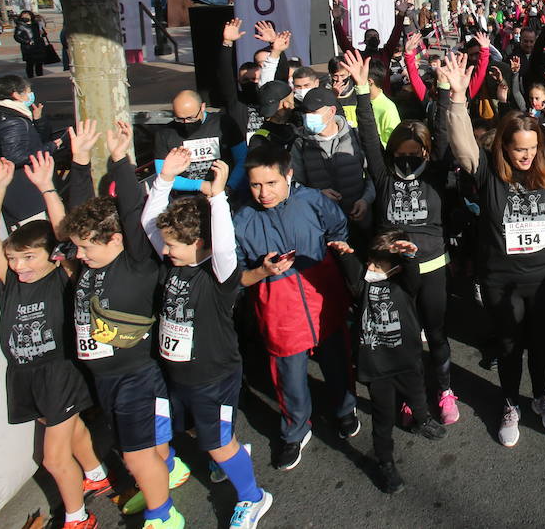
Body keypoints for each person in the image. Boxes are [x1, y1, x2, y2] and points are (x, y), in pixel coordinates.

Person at [441, 52, 545, 448]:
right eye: (517, 149)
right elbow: (461, 146)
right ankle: (510, 402)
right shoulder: (487, 173)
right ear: (503, 147)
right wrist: (458, 99)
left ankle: (540, 396)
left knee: (541, 343)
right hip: (501, 278)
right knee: (509, 346)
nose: (525, 155)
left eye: (531, 148)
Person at [58, 121, 187, 528]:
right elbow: (82, 213)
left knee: (134, 453)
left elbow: (131, 211)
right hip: (106, 379)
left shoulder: (136, 261)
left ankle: (163, 515)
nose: (79, 254)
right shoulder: (90, 258)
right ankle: (164, 477)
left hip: (137, 376)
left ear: (116, 240)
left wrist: (119, 159)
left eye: (87, 247)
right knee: (148, 448)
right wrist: (79, 163)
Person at [141, 152, 273, 529]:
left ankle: (253, 497)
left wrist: (217, 199)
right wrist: (165, 178)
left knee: (216, 443)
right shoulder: (172, 265)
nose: (165, 251)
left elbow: (226, 247)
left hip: (213, 376)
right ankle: (230, 452)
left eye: (173, 246)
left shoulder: (218, 275)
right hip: (177, 374)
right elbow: (150, 224)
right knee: (194, 430)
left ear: (200, 243)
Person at [0, 156, 108, 529]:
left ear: (51, 256)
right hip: (26, 374)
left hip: (60, 372)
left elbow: (64, 235)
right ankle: (97, 474)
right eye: (13, 259)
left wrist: (47, 188)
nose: (19, 266)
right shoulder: (13, 283)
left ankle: (77, 517)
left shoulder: (63, 276)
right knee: (71, 426)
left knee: (53, 457)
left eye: (28, 257)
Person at [342, 50, 460, 425]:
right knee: (407, 337)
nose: (407, 159)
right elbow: (366, 136)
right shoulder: (382, 176)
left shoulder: (436, 171)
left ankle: (443, 389)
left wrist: (443, 87)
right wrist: (362, 91)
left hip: (433, 268)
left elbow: (442, 133)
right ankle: (412, 395)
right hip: (393, 273)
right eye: (401, 153)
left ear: (425, 153)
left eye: (415, 153)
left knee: (437, 333)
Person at [234, 145, 358, 471]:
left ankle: (345, 409)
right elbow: (234, 277)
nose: (264, 193)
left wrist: (336, 253)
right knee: (288, 375)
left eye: (271, 183)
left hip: (322, 296)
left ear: (288, 175)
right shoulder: (241, 220)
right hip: (279, 307)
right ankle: (295, 430)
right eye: (256, 185)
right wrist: (262, 271)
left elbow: (338, 227)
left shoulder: (312, 200)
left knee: (336, 358)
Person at [330, 231, 447, 494]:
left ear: (394, 267)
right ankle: (385, 462)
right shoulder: (363, 288)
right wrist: (347, 256)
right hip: (377, 366)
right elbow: (353, 276)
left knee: (418, 395)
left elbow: (413, 274)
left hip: (407, 360)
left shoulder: (404, 285)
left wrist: (409, 256)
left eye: (377, 265)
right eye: (369, 262)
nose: (370, 268)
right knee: (383, 419)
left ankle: (423, 419)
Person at [0, 73, 68, 225]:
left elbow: (34, 139)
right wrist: (51, 147)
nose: (30, 95)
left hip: (6, 188)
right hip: (26, 193)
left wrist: (38, 120)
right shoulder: (13, 122)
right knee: (37, 232)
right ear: (16, 95)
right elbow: (16, 156)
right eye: (27, 91)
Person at [290, 87, 376, 243]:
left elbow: (373, 175)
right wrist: (317, 194)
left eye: (314, 113)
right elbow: (295, 185)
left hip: (363, 223)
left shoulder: (354, 137)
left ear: (331, 112)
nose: (308, 117)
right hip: (327, 227)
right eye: (306, 113)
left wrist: (365, 200)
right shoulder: (300, 144)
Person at [153, 90, 247, 194]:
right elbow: (162, 175)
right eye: (180, 119)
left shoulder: (224, 123)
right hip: (186, 199)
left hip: (226, 191)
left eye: (191, 118)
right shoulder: (165, 134)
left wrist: (229, 187)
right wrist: (201, 185)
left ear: (202, 107)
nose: (186, 123)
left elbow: (242, 158)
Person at [14, 9, 51, 77]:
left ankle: (40, 76)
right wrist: (27, 42)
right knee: (30, 64)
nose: (26, 17)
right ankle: (31, 77)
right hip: (28, 47)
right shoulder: (20, 26)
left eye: (27, 15)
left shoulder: (36, 24)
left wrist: (43, 33)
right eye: (24, 16)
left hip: (38, 45)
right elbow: (17, 37)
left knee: (39, 63)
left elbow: (43, 34)